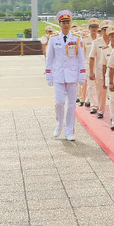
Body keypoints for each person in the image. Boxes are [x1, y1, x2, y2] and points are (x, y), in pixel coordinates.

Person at [45, 10, 86, 141]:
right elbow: (49, 59)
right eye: (64, 22)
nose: (66, 25)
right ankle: (59, 123)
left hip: (72, 75)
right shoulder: (53, 39)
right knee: (59, 102)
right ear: (60, 24)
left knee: (71, 105)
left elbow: (81, 59)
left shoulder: (76, 39)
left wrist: (82, 75)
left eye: (68, 22)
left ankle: (69, 131)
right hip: (59, 75)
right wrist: (48, 74)